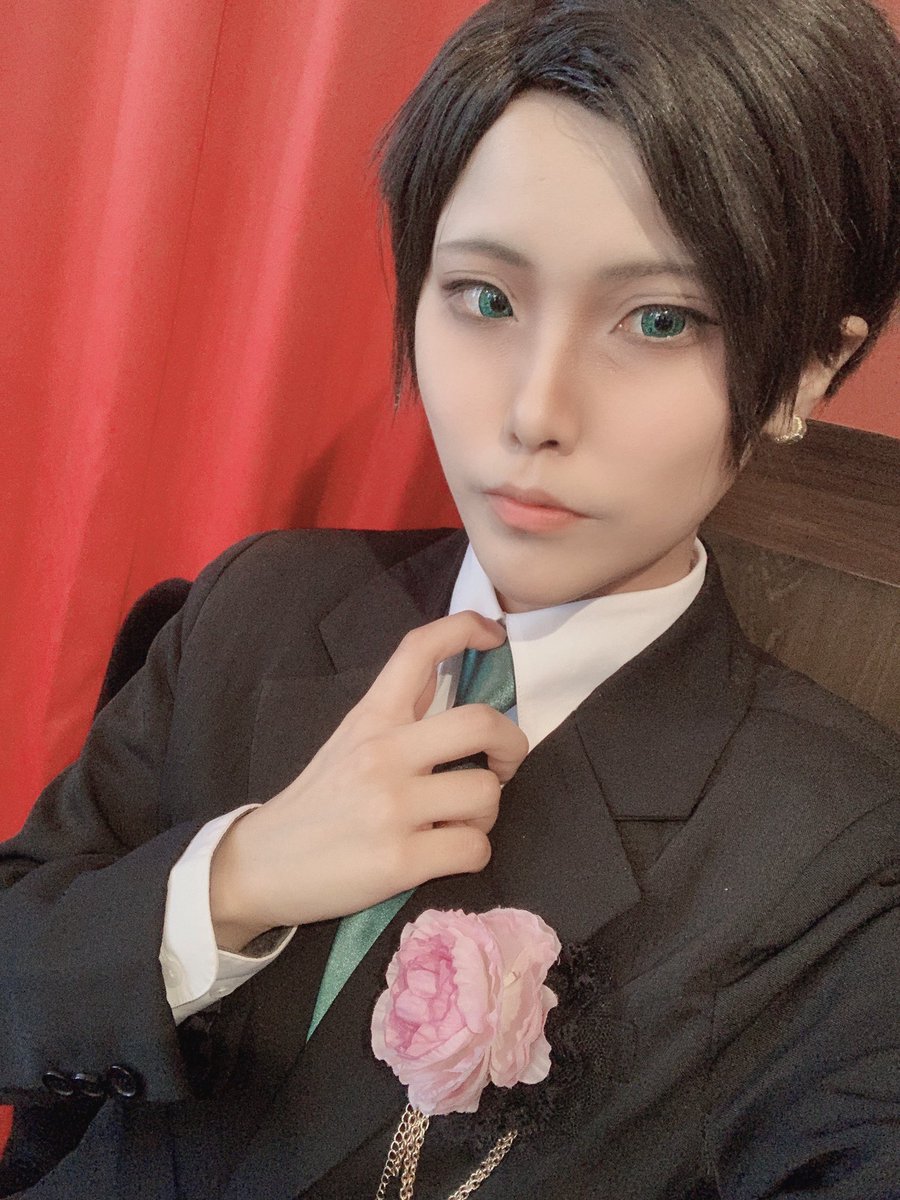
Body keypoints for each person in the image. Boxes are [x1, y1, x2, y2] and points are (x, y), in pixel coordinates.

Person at [1, 0, 898, 1195]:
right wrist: (233, 881)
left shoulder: (842, 866)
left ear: (808, 371)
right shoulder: (255, 605)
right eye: (485, 297)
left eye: (659, 319)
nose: (534, 412)